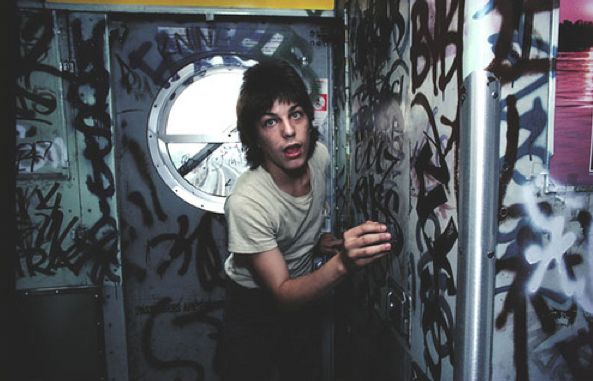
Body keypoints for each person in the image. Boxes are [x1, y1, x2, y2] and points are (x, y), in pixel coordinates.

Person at [219, 59, 392, 381]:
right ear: (254, 136)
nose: (288, 131)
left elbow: (295, 220)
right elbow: (283, 294)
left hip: (303, 294)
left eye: (295, 114)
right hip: (253, 305)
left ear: (309, 119)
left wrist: (315, 242)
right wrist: (344, 262)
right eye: (271, 122)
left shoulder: (320, 157)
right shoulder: (247, 202)